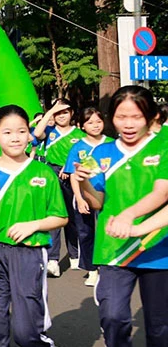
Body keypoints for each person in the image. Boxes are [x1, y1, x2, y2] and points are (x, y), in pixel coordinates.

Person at [75, 86, 168, 347]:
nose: (128, 124)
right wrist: (85, 184)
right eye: (121, 116)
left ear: (150, 117)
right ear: (111, 118)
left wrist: (130, 216)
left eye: (136, 117)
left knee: (160, 325)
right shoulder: (100, 153)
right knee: (113, 317)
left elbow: (162, 191)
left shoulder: (164, 145)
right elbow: (97, 202)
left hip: (157, 246)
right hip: (115, 247)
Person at [0, 104, 70, 347]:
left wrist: (33, 225)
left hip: (29, 255)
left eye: (21, 131)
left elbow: (61, 217)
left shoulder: (42, 173)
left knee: (26, 332)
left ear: (30, 134)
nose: (15, 138)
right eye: (7, 132)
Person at [33, 99, 85, 277]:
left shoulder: (79, 134)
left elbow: (84, 156)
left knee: (72, 216)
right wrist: (49, 111)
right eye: (58, 112)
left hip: (72, 176)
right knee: (54, 215)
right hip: (52, 174)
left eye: (65, 112)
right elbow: (36, 134)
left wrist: (69, 166)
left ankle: (75, 254)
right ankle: (53, 260)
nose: (61, 115)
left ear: (71, 113)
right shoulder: (49, 131)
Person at [62, 106, 112, 288]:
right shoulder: (78, 147)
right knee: (86, 232)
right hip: (84, 196)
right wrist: (80, 198)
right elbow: (74, 175)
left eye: (98, 121)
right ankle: (92, 270)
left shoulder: (112, 144)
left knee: (108, 232)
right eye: (90, 122)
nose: (95, 125)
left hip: (109, 197)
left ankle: (109, 267)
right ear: (82, 125)